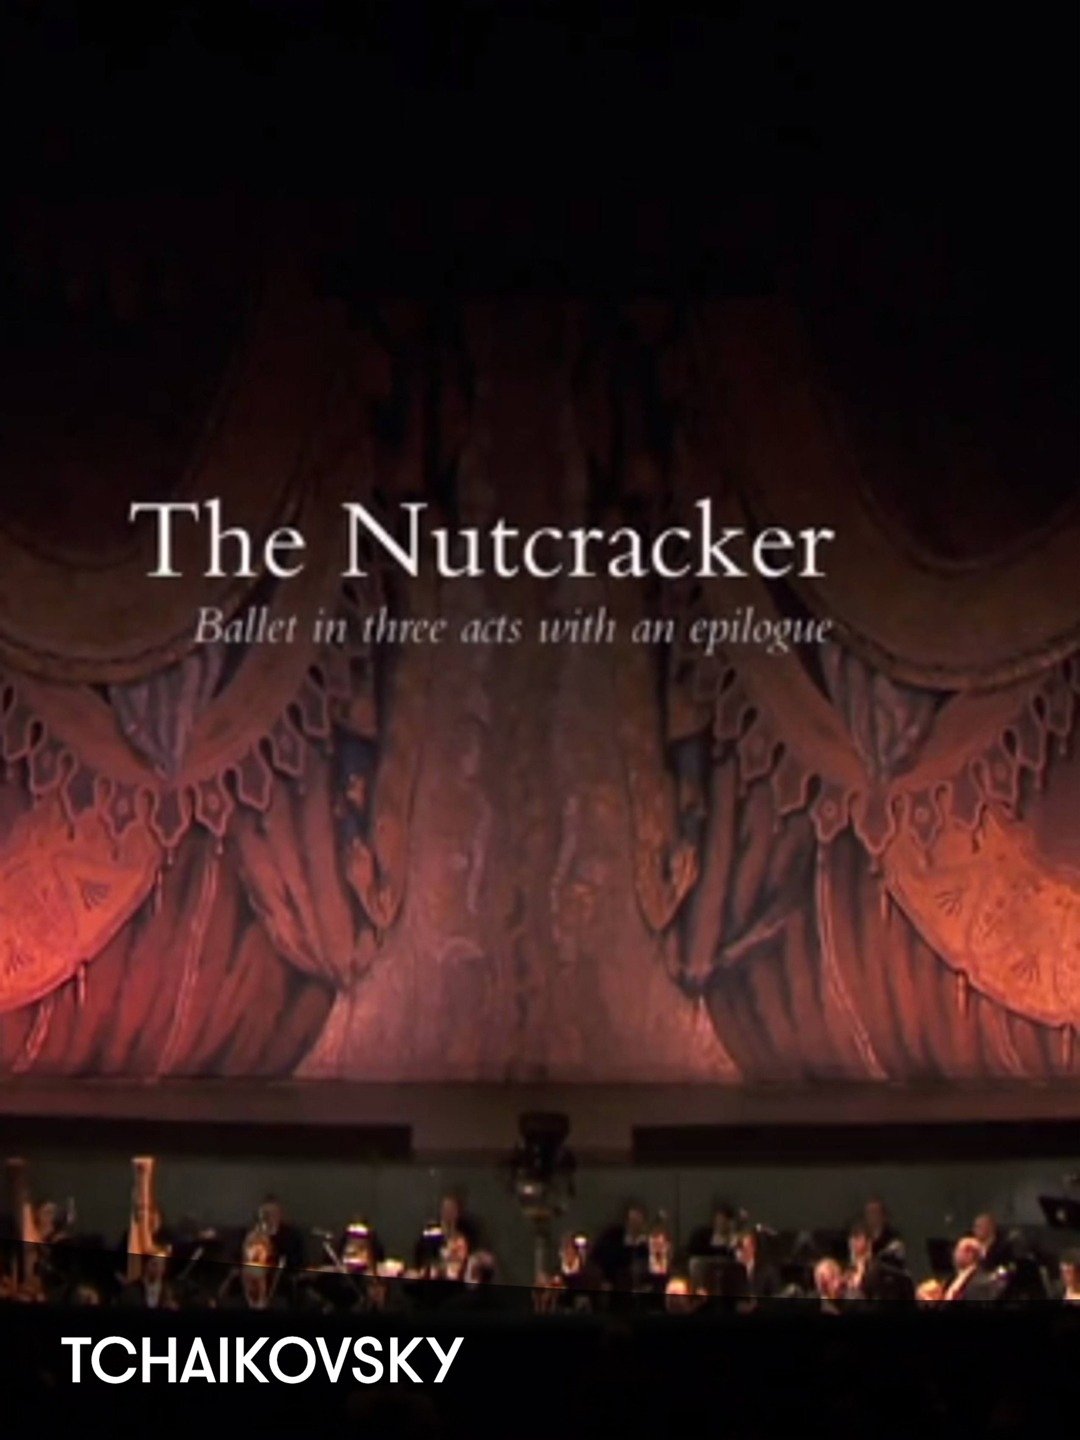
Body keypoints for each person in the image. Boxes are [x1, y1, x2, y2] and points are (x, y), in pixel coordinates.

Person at [590, 1202, 649, 1289]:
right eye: (632, 1220)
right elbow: (597, 1258)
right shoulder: (612, 1237)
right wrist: (604, 1280)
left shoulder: (647, 1245)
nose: (634, 1224)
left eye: (638, 1220)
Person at [863, 1198, 906, 1266]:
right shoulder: (863, 1238)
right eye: (869, 1213)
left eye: (875, 1212)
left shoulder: (893, 1238)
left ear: (883, 1215)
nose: (871, 1216)